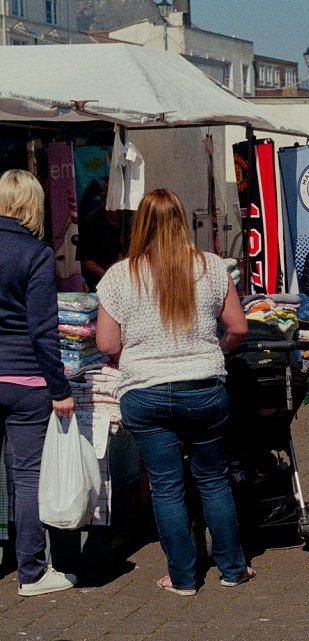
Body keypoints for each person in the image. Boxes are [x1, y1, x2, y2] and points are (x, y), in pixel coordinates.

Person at [96, 188, 252, 596]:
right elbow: (238, 328)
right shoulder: (212, 268)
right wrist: (212, 352)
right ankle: (234, 569)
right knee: (214, 480)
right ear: (183, 221)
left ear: (140, 224)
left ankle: (182, 578)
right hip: (203, 386)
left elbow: (107, 345)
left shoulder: (119, 275)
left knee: (166, 486)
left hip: (144, 391)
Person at [0, 169, 78, 597]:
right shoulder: (35, 253)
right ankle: (30, 572)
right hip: (25, 377)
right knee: (27, 475)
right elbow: (43, 330)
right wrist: (60, 389)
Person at [78, 204, 130, 292]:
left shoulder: (130, 218)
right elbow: (86, 259)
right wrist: (105, 273)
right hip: (97, 276)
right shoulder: (91, 221)